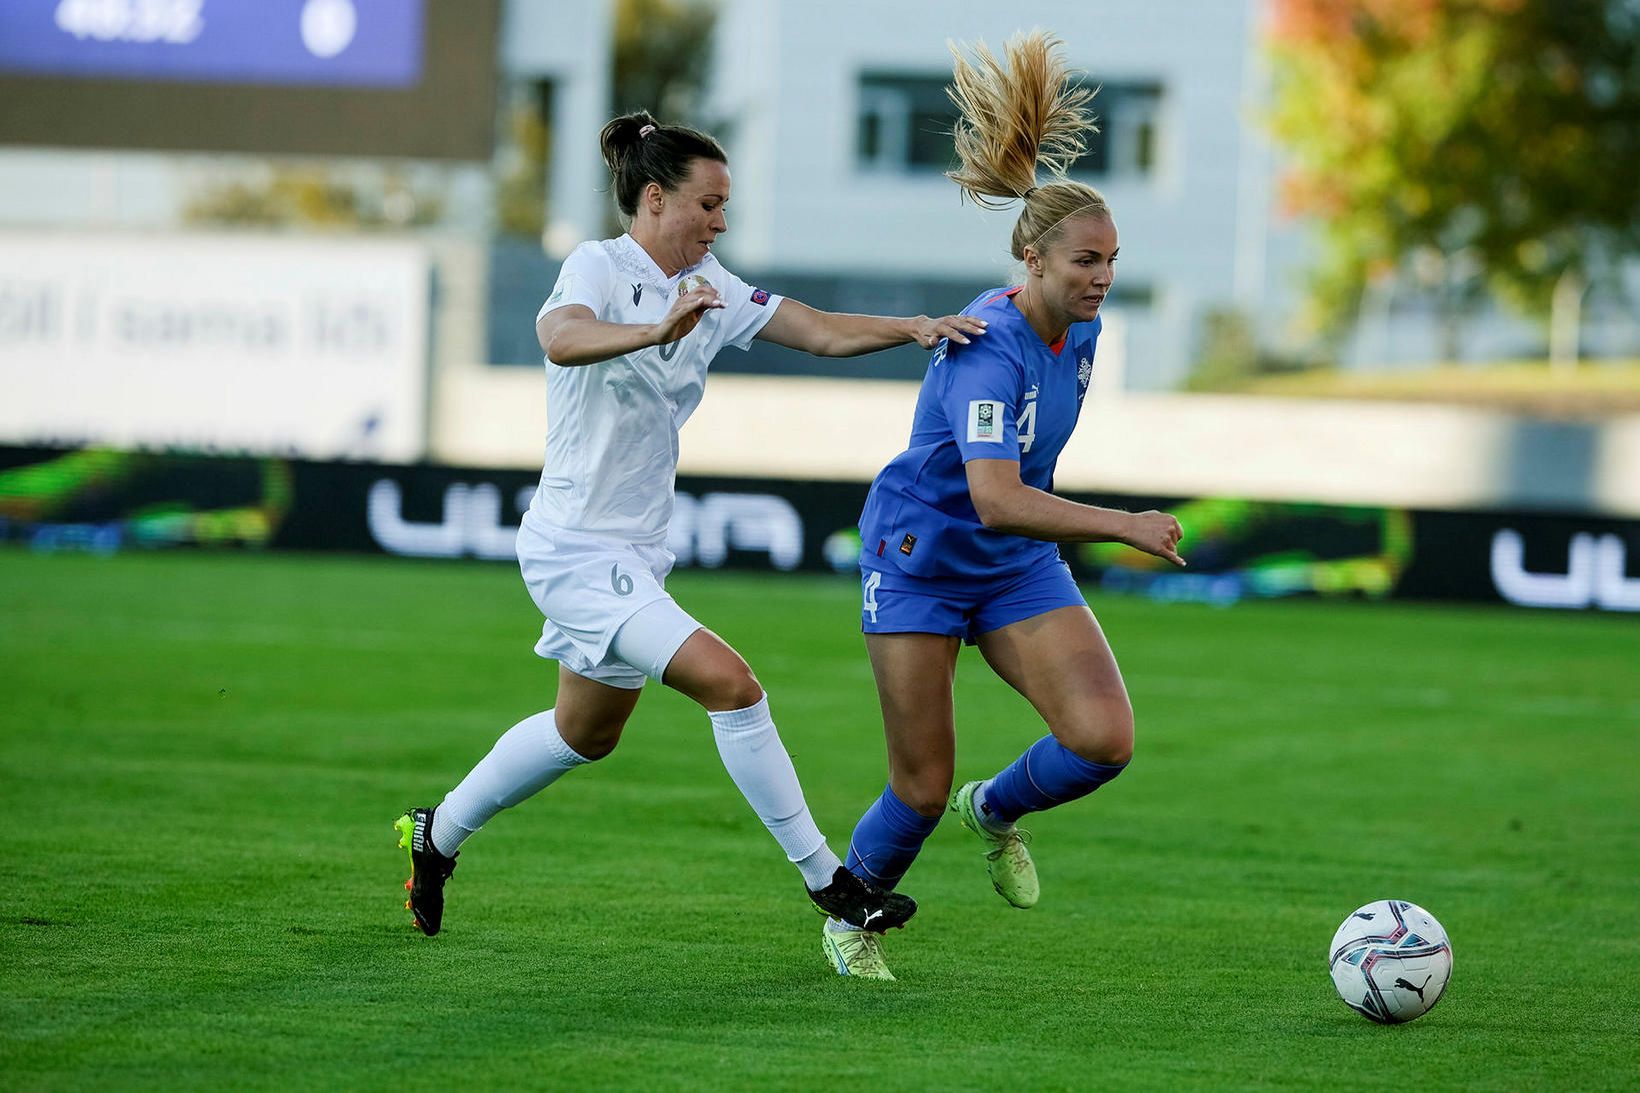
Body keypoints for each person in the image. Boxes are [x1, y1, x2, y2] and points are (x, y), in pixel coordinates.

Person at [393, 110, 989, 941]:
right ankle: (832, 882)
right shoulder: (599, 265)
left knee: (583, 732)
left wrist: (915, 329)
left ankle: (437, 834)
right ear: (653, 200)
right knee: (733, 684)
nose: (720, 221)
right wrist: (652, 329)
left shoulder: (715, 289)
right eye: (708, 204)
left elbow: (814, 329)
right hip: (576, 549)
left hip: (633, 552)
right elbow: (560, 338)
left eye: (724, 207)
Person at [821, 32, 1186, 980]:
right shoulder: (986, 347)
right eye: (1084, 263)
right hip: (921, 559)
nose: (1101, 277)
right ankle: (852, 916)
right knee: (917, 783)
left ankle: (997, 810)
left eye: (1110, 259)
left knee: (1103, 739)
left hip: (1012, 559)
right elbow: (991, 496)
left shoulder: (1082, 331)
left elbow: (1014, 502)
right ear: (1031, 258)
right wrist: (1123, 525)